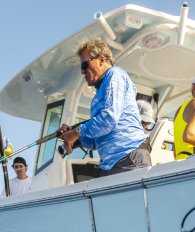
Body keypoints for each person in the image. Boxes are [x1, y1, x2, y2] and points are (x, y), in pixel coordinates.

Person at [57, 39, 149, 177]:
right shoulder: (98, 94)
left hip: (129, 158)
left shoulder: (114, 74)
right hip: (110, 165)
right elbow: (96, 140)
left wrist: (76, 131)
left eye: (84, 65)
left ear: (101, 60)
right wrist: (75, 137)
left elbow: (109, 118)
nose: (82, 71)